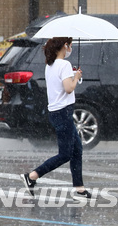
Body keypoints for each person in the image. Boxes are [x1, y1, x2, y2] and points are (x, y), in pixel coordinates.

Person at [20, 37, 91, 201]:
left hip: (56, 112)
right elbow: (68, 88)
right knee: (65, 154)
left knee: (77, 149)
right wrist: (77, 76)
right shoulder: (64, 65)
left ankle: (79, 189)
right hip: (64, 112)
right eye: (69, 46)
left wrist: (72, 75)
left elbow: (59, 85)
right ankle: (32, 176)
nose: (70, 49)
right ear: (64, 46)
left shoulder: (50, 65)